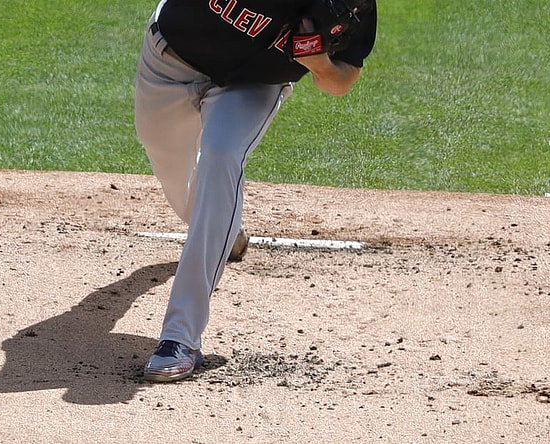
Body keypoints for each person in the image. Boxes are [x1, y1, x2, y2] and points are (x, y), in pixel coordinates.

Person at [134, 0, 377, 382]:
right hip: (171, 60)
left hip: (253, 86)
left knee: (221, 155)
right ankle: (223, 229)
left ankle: (180, 336)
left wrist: (319, 64)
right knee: (172, 172)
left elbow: (342, 81)